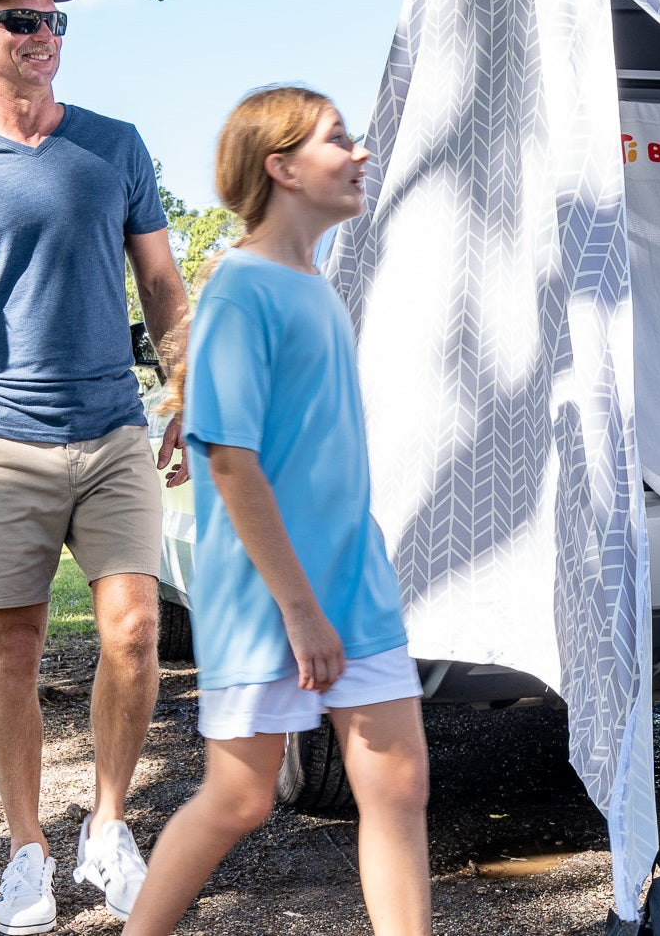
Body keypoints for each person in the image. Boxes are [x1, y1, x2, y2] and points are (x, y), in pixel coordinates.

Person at [0, 0, 189, 934]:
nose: (43, 35)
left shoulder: (115, 145)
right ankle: (25, 847)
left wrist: (184, 387)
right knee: (11, 648)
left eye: (54, 20)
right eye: (20, 21)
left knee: (136, 631)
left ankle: (106, 825)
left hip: (112, 428)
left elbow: (160, 283)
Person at [122, 85, 431, 936]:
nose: (361, 152)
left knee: (399, 788)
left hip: (353, 575)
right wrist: (300, 611)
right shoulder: (243, 289)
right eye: (340, 139)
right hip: (270, 596)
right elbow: (230, 459)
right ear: (283, 167)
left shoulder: (316, 285)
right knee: (240, 797)